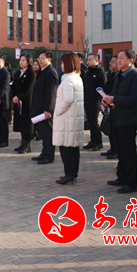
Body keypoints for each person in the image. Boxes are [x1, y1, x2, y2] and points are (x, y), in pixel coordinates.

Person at [102, 50, 137, 194]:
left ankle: (131, 183)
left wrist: (115, 99)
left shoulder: (136, 76)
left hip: (129, 119)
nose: (118, 61)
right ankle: (121, 177)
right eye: (118, 58)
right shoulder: (119, 75)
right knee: (120, 150)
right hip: (117, 117)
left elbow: (136, 98)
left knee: (128, 152)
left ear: (131, 60)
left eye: (122, 58)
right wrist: (108, 99)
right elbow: (116, 94)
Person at [54, 53, 85, 185]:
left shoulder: (68, 79)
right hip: (73, 118)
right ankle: (73, 173)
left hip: (67, 119)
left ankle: (69, 174)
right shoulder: (76, 77)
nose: (61, 65)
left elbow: (68, 99)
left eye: (62, 63)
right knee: (73, 148)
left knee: (66, 149)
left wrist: (58, 111)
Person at [31, 51, 59, 164]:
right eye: (39, 58)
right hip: (40, 107)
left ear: (49, 59)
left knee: (48, 133)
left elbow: (51, 93)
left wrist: (48, 109)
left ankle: (49, 156)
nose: (40, 60)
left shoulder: (50, 72)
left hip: (46, 109)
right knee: (43, 132)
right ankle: (44, 153)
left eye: (42, 58)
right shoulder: (43, 71)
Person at [12, 54, 36, 153]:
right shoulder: (18, 73)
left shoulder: (31, 73)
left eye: (23, 60)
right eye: (20, 60)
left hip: (27, 102)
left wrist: (19, 96)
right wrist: (14, 96)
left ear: (28, 62)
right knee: (20, 122)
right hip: (17, 102)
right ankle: (23, 142)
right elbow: (13, 86)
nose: (21, 62)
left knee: (27, 123)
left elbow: (28, 89)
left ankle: (27, 144)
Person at [82, 53, 106, 152]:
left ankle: (98, 142)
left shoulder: (100, 72)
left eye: (91, 60)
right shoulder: (87, 72)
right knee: (90, 122)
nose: (88, 62)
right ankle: (92, 141)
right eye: (88, 60)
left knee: (94, 122)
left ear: (97, 61)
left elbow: (102, 87)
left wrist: (99, 99)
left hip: (95, 102)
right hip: (87, 101)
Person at [103, 57, 119, 159]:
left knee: (116, 131)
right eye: (111, 61)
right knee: (111, 129)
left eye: (113, 62)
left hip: (116, 106)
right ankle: (113, 148)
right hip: (109, 103)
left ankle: (116, 150)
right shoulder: (111, 74)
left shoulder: (121, 76)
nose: (111, 64)